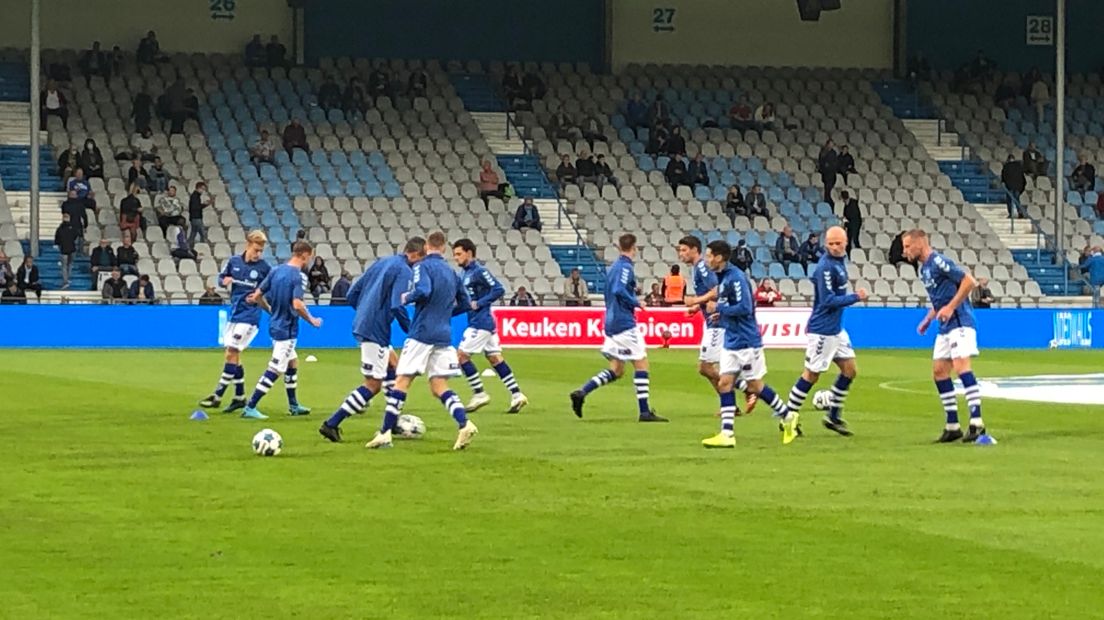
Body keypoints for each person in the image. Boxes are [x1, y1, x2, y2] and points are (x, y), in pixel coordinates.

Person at [364, 232, 480, 451]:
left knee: (401, 382)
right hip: (444, 335)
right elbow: (465, 303)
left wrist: (406, 297)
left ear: (427, 247)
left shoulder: (422, 267)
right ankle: (465, 423)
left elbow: (423, 290)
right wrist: (445, 314)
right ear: (444, 248)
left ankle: (385, 433)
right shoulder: (452, 273)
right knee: (439, 386)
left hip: (422, 333)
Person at [317, 239, 424, 442]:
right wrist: (411, 331)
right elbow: (397, 304)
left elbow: (351, 294)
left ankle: (392, 422)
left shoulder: (382, 262)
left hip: (367, 324)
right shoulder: (405, 270)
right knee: (373, 384)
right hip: (375, 330)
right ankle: (331, 424)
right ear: (416, 255)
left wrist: (366, 311)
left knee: (393, 365)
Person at [699, 240, 798, 448]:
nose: (707, 259)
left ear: (719, 257)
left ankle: (788, 416)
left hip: (746, 341)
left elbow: (744, 308)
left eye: (709, 256)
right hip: (731, 340)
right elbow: (730, 307)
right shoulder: (724, 277)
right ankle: (727, 434)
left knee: (755, 385)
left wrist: (719, 308)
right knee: (724, 383)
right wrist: (721, 316)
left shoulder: (736, 278)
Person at [782, 226, 868, 438]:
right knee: (811, 374)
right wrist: (855, 297)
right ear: (826, 244)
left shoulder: (840, 262)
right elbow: (828, 300)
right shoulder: (825, 267)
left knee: (850, 370)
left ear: (846, 242)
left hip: (836, 330)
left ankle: (833, 416)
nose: (835, 247)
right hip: (822, 331)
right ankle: (788, 417)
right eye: (831, 244)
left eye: (838, 243)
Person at [569, 234, 666, 422]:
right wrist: (636, 303)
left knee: (617, 369)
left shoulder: (612, 267)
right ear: (634, 248)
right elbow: (619, 290)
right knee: (641, 363)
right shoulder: (625, 267)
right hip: (624, 322)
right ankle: (644, 411)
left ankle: (582, 392)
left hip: (611, 320)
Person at [902, 229, 987, 443]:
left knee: (961, 367)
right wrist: (928, 318)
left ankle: (977, 422)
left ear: (920, 243)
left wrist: (950, 307)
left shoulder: (938, 261)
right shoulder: (924, 270)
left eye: (907, 246)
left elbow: (969, 281)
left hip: (960, 321)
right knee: (939, 371)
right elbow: (940, 299)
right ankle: (953, 426)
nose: (905, 252)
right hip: (944, 325)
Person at [240, 241, 323, 420]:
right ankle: (250, 406)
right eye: (309, 256)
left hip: (275, 324)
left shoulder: (276, 270)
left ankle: (293, 405)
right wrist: (312, 320)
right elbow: (298, 304)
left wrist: (270, 310)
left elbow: (257, 296)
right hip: (287, 329)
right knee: (277, 367)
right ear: (305, 255)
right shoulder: (298, 276)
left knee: (292, 362)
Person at [680, 236, 755, 419]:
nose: (680, 254)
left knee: (705, 367)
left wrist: (695, 300)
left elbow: (718, 290)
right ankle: (731, 405)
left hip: (717, 323)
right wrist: (698, 308)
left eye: (683, 250)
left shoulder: (703, 268)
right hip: (713, 321)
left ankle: (746, 389)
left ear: (694, 250)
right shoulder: (698, 269)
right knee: (707, 368)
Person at [199, 231, 273, 411]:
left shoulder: (264, 268)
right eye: (256, 249)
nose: (258, 254)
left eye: (261, 250)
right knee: (232, 355)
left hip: (250, 316)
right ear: (248, 244)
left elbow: (271, 288)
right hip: (235, 313)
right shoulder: (234, 262)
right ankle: (240, 396)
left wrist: (260, 297)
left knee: (232, 350)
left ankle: (218, 395)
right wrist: (225, 280)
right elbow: (221, 279)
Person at [453, 239, 529, 414]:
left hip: (480, 323)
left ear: (469, 253)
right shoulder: (464, 275)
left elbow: (499, 289)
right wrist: (448, 314)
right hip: (482, 322)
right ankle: (517, 394)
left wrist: (479, 303)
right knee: (495, 358)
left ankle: (479, 393)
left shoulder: (480, 271)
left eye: (458, 254)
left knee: (461, 356)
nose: (456, 258)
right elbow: (466, 304)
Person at [54, 213, 80, 289]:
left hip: (65, 249)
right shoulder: (71, 228)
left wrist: (59, 245)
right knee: (68, 265)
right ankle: (66, 280)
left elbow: (57, 239)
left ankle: (66, 280)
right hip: (70, 248)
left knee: (66, 266)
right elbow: (75, 236)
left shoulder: (60, 228)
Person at [1001, 153, 1027, 218]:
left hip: (1010, 187)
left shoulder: (1006, 166)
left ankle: (1011, 213)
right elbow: (1022, 178)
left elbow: (1004, 177)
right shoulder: (1019, 166)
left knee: (1009, 200)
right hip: (1018, 187)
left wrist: (1004, 183)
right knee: (1017, 200)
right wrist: (1022, 188)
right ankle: (1020, 212)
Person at [188, 181, 211, 247]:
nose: (203, 191)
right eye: (202, 189)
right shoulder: (195, 196)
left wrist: (204, 205)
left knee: (193, 234)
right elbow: (196, 207)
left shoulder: (194, 196)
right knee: (203, 234)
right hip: (196, 217)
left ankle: (188, 247)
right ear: (198, 188)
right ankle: (203, 247)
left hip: (193, 218)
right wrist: (204, 204)